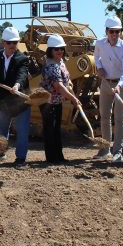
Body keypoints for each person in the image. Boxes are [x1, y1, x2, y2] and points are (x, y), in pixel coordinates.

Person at [0, 26, 30, 165]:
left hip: (20, 101)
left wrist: (17, 85)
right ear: (3, 42)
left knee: (22, 131)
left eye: (15, 42)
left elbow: (22, 74)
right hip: (4, 100)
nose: (12, 45)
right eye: (9, 42)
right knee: (2, 129)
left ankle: (21, 157)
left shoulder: (22, 58)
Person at [93, 15, 123, 163]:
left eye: (117, 31)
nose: (115, 35)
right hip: (105, 83)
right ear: (106, 31)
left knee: (119, 118)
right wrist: (99, 67)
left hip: (121, 84)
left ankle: (118, 152)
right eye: (112, 32)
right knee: (104, 115)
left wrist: (119, 86)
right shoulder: (99, 44)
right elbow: (96, 56)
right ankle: (105, 149)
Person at [39, 35, 81, 164]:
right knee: (50, 130)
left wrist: (70, 84)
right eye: (56, 49)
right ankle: (52, 158)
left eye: (61, 49)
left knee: (56, 129)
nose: (60, 51)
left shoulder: (61, 62)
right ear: (50, 50)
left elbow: (64, 81)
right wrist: (73, 98)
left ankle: (59, 156)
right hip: (48, 103)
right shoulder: (51, 66)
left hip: (57, 101)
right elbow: (58, 86)